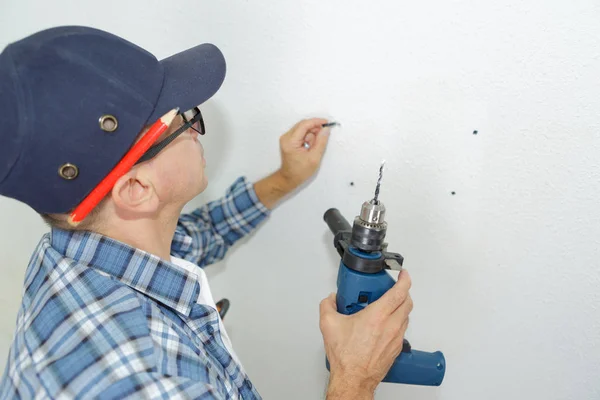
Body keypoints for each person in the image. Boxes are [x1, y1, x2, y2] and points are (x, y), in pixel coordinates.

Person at [0, 26, 413, 399]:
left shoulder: (73, 255)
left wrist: (285, 179)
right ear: (136, 189)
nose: (196, 127)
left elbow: (195, 237)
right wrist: (354, 376)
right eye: (182, 120)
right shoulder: (151, 382)